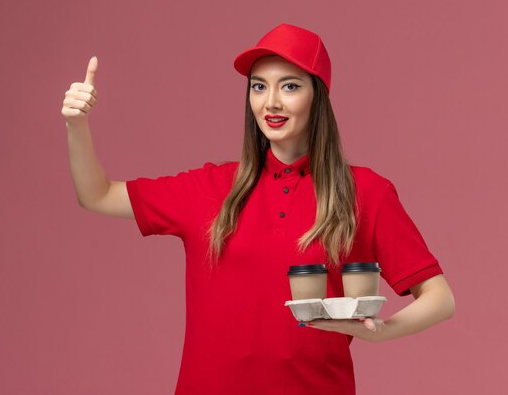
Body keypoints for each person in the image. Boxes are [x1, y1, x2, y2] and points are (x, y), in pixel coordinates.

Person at [60, 23, 455, 395]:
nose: (272, 102)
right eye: (259, 86)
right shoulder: (210, 187)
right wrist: (77, 127)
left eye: (290, 85)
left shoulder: (365, 192)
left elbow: (439, 298)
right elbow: (97, 195)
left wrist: (379, 331)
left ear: (318, 95)